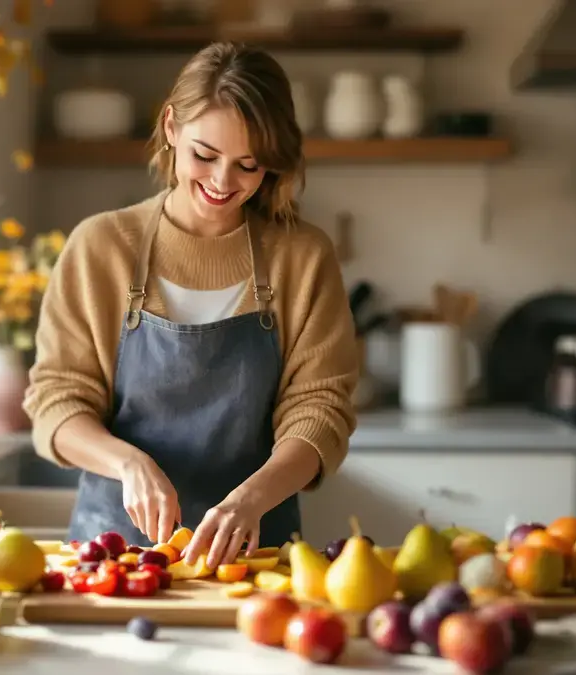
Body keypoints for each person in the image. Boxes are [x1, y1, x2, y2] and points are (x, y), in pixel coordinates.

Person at [23, 42, 358, 568]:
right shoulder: (101, 247)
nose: (223, 182)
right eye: (205, 155)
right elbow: (57, 403)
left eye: (249, 165)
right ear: (172, 127)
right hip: (114, 557)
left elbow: (320, 410)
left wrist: (250, 499)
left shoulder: (303, 256)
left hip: (255, 555)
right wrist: (129, 464)